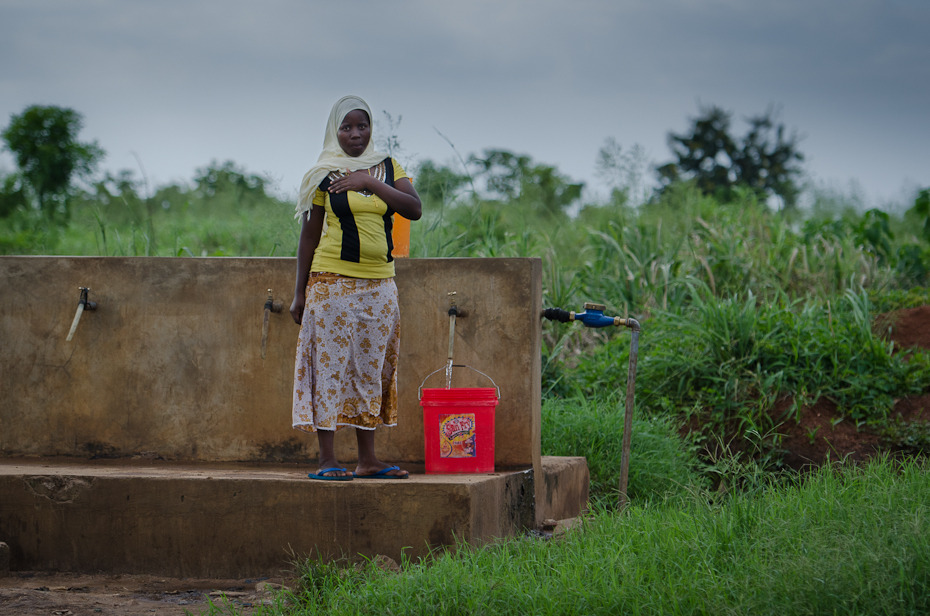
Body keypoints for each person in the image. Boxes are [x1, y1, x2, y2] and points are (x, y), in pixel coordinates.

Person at [290, 95, 421, 481]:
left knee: (370, 367)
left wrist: (369, 182)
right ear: (335, 130)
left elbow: (413, 208)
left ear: (370, 130)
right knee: (329, 366)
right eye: (346, 127)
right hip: (332, 284)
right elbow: (308, 235)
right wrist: (300, 292)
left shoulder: (387, 166)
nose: (355, 134)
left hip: (380, 285)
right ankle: (327, 460)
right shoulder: (324, 174)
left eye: (361, 126)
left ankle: (368, 460)